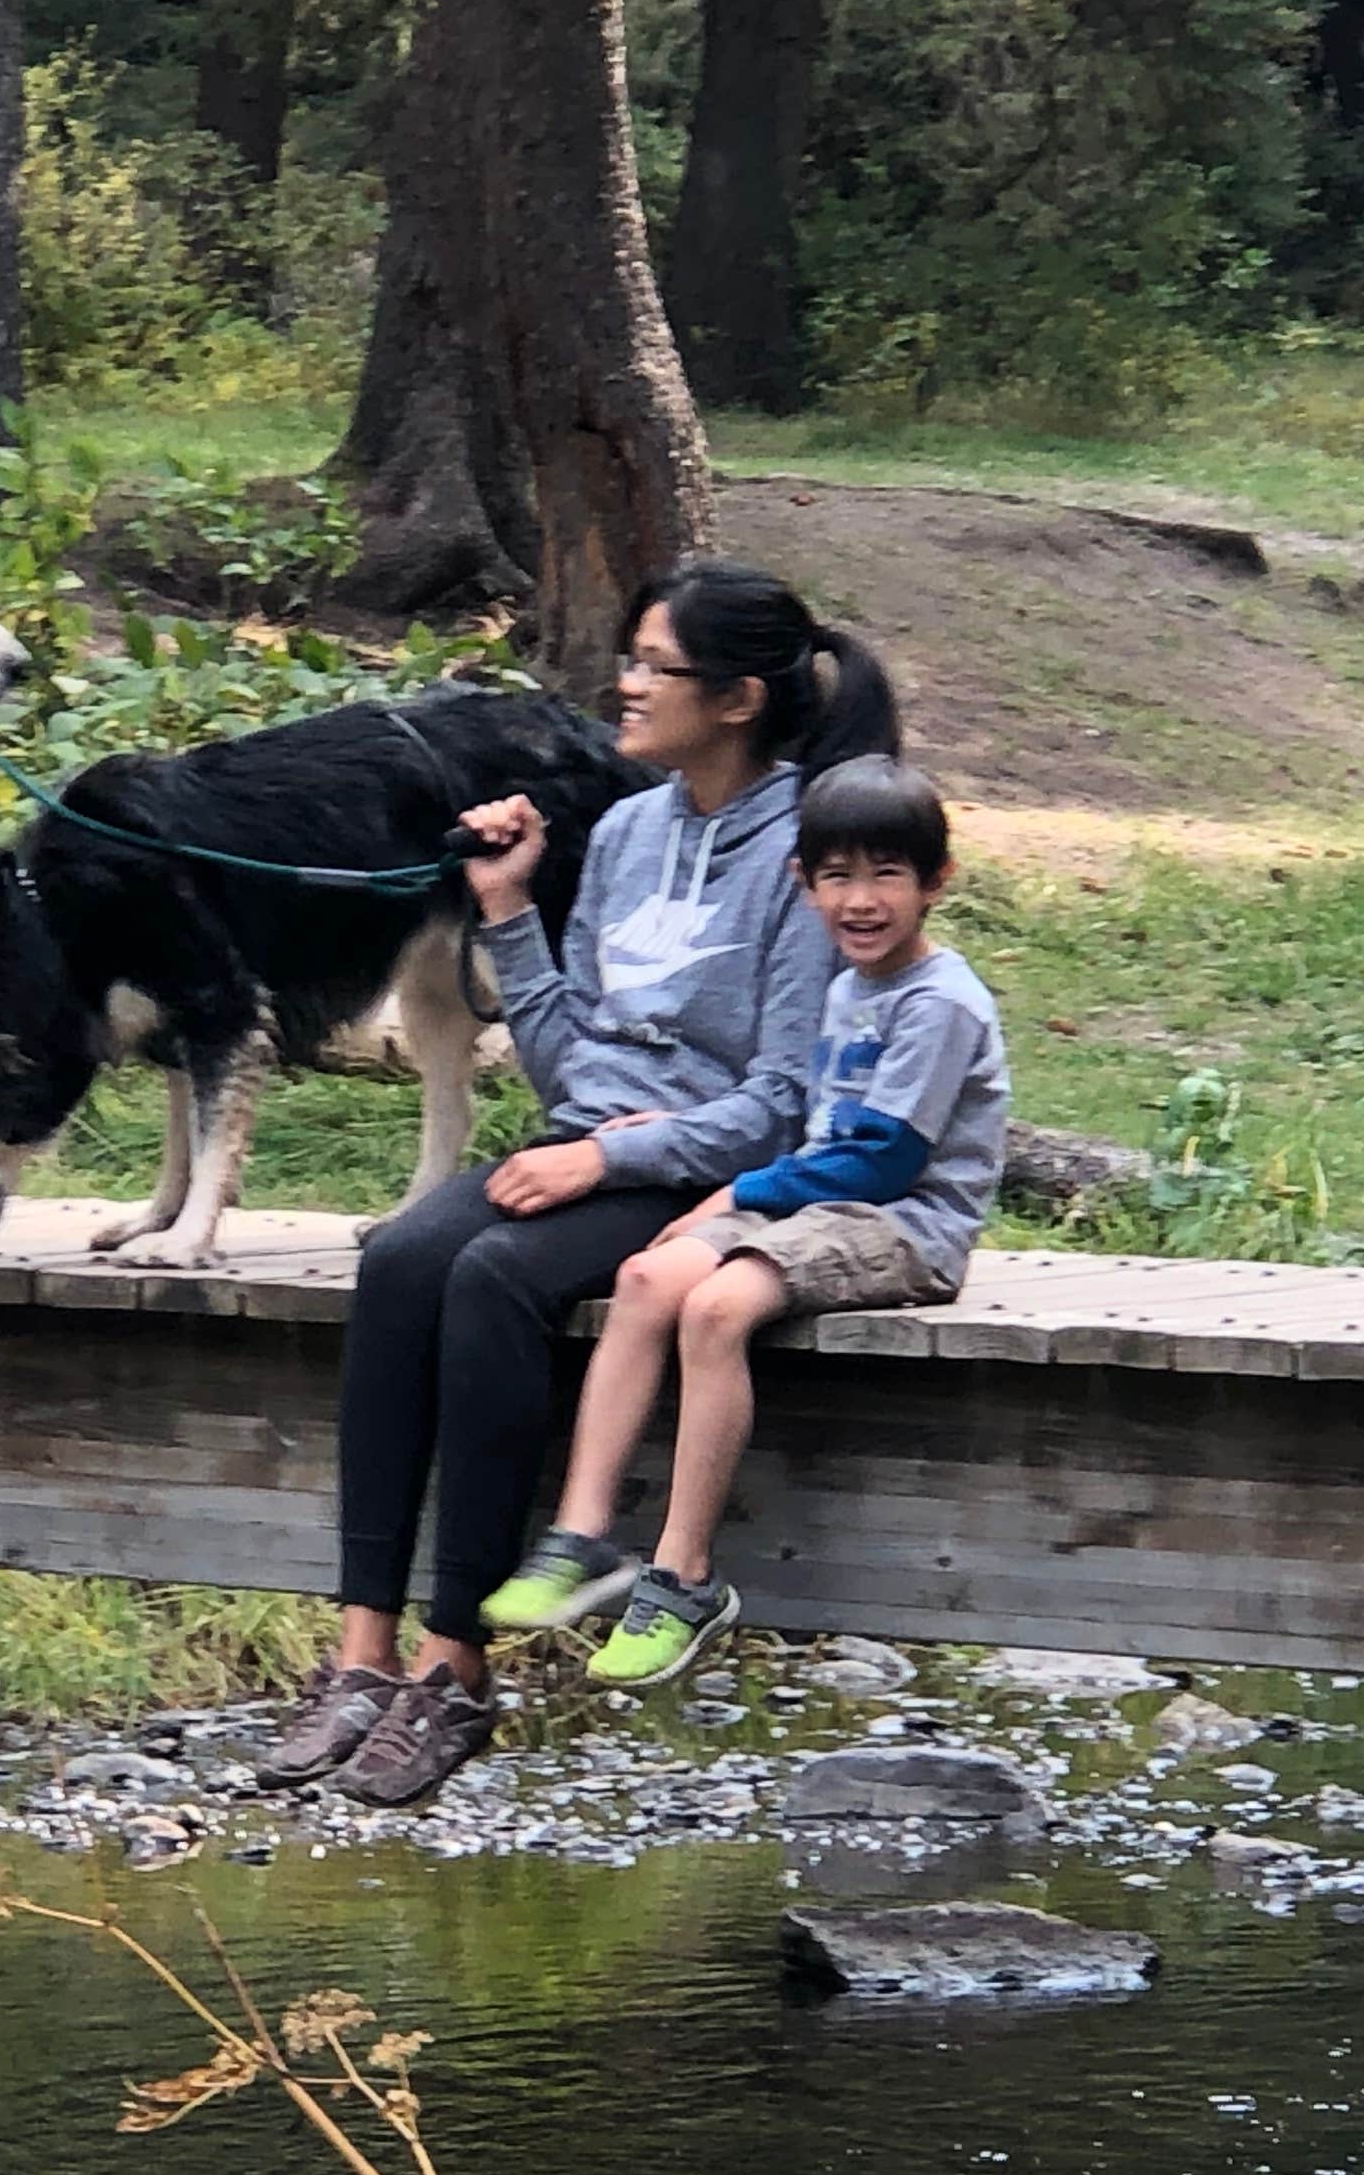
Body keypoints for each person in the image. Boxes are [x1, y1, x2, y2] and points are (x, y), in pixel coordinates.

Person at [267, 563, 899, 1807]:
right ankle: (361, 1656)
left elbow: (778, 1100)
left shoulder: (804, 860)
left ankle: (455, 1665)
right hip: (594, 1149)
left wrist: (610, 1155)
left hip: (715, 1175)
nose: (627, 682)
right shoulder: (622, 833)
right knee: (399, 1259)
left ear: (737, 699)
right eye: (636, 657)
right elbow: (569, 1066)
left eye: (657, 665)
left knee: (497, 1277)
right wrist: (507, 912)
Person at [489, 756, 1006, 1683]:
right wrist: (681, 1134)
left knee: (718, 1306)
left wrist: (735, 1196)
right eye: (837, 876)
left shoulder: (939, 1003)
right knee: (649, 1278)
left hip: (906, 1223)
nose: (861, 899)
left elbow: (882, 1159)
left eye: (887, 874)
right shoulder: (847, 986)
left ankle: (683, 1575)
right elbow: (806, 1114)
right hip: (820, 1207)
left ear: (936, 884)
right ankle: (581, 1537)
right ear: (802, 883)